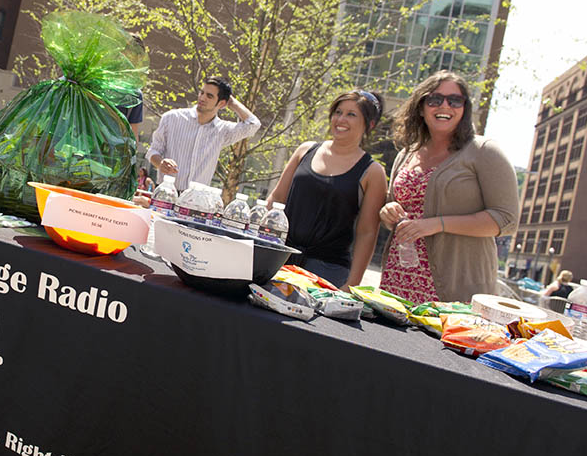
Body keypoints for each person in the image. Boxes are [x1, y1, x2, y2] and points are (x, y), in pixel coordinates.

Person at [378, 70, 519, 304]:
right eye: (434, 99)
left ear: (464, 109)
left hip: (454, 290)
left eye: (454, 100)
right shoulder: (405, 154)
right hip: (397, 281)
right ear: (421, 108)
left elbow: (506, 220)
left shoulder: (484, 151)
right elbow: (393, 212)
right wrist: (388, 211)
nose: (445, 106)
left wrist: (436, 225)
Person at [265, 90, 388, 289]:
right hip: (279, 258)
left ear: (369, 124)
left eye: (351, 114)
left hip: (327, 271)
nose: (341, 119)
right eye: (338, 112)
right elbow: (277, 198)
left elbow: (367, 232)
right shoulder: (305, 150)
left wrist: (352, 284)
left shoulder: (373, 172)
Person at [147, 77, 260, 192]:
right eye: (202, 93)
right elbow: (153, 151)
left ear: (221, 103)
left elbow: (253, 125)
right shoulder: (171, 118)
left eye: (209, 96)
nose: (202, 98)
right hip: (166, 194)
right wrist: (160, 163)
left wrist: (232, 103)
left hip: (196, 201)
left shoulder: (222, 131)